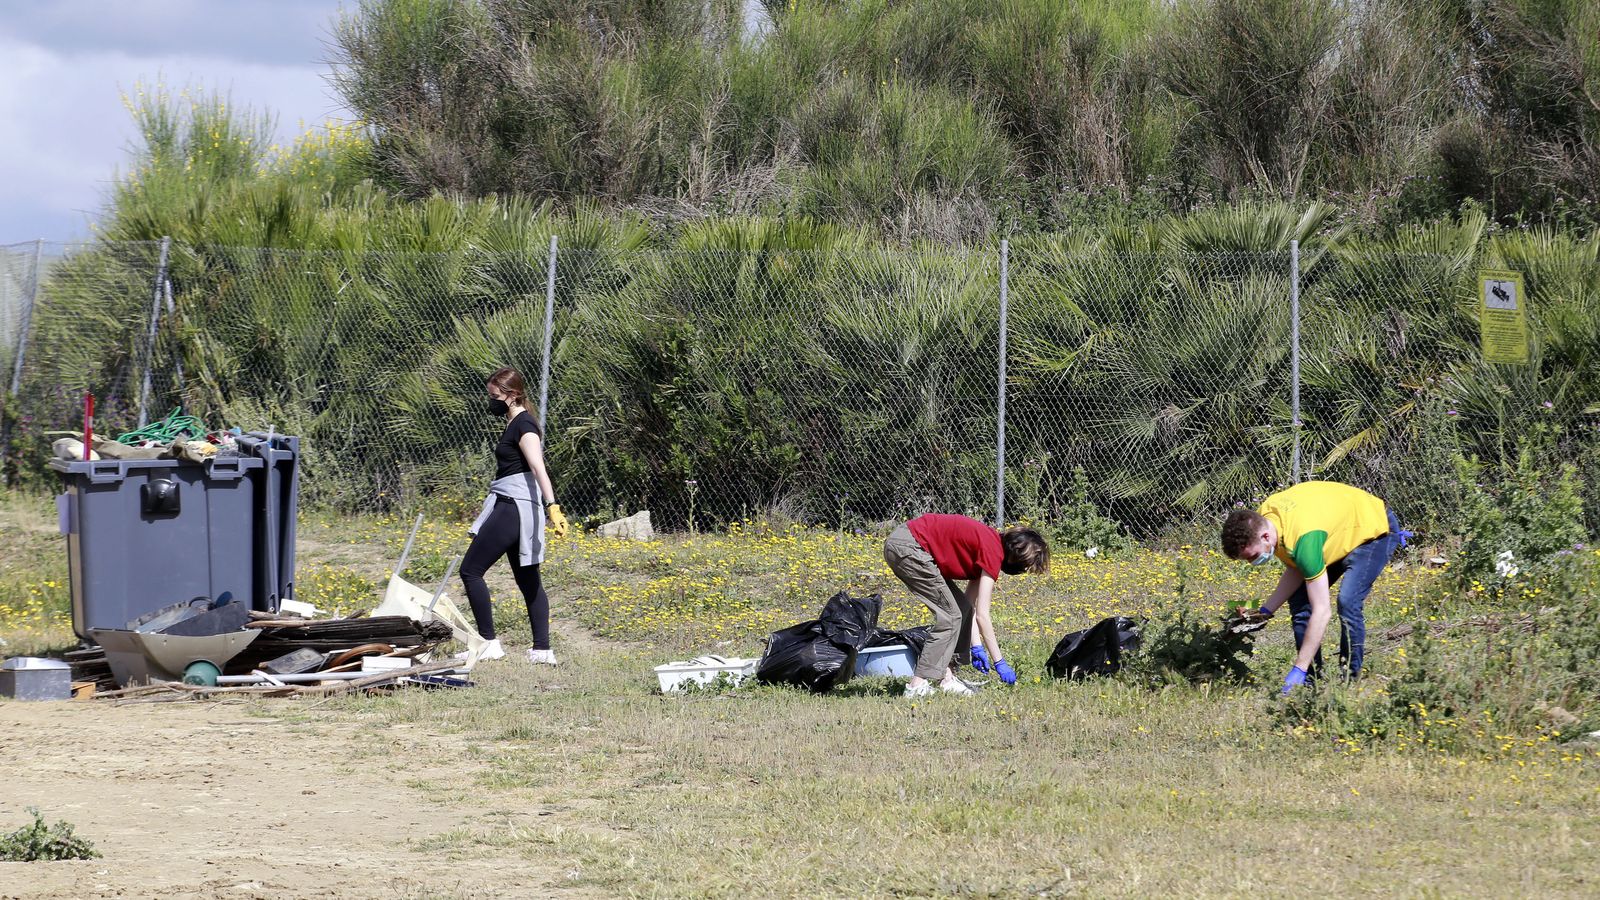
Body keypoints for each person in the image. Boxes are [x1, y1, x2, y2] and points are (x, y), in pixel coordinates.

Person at [1220, 480, 1409, 695]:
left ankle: (1349, 680)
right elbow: (1297, 569)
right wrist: (1264, 612)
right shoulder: (1268, 521)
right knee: (1300, 604)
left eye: (1253, 556)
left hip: (1372, 530)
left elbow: (1322, 611)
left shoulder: (1303, 539)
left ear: (1265, 537)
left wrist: (1297, 668)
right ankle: (1312, 681)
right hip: (1335, 533)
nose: (1252, 563)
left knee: (1347, 602)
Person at [461, 367, 570, 664]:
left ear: (512, 394)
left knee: (471, 571)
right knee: (528, 580)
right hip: (510, 504)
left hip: (514, 507)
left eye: (495, 396)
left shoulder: (525, 425)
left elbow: (538, 467)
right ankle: (542, 651)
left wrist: (553, 506)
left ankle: (488, 643)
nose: (491, 401)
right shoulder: (513, 422)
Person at [883, 514, 1050, 698]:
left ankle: (947, 678)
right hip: (909, 546)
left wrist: (976, 646)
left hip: (907, 544)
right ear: (1014, 554)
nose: (1022, 571)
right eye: (1024, 565)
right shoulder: (993, 551)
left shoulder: (989, 545)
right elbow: (983, 615)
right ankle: (917, 685)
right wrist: (999, 662)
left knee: (959, 610)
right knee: (950, 616)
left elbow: (968, 606)